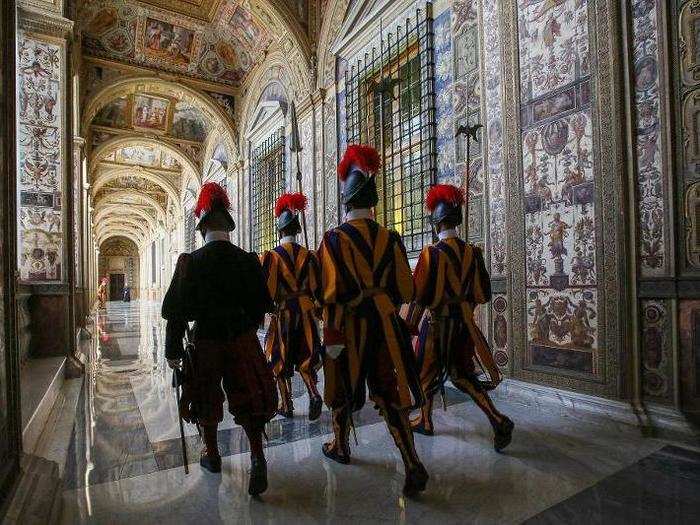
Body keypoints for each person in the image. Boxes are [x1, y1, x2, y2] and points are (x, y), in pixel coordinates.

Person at [316, 144, 428, 497]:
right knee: (389, 391)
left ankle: (340, 445)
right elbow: (406, 289)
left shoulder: (333, 239)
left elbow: (327, 293)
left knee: (342, 389)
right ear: (373, 201)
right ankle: (411, 461)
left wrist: (330, 329)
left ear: (346, 201)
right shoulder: (391, 237)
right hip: (385, 327)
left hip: (348, 327)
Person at [161, 182, 277, 495]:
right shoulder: (248, 260)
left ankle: (212, 455)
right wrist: (246, 331)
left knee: (204, 397)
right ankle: (257, 456)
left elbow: (176, 313)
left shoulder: (190, 262)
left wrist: (172, 351)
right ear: (228, 225)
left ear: (201, 229)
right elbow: (261, 307)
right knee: (251, 396)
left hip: (206, 341)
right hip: (242, 339)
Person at [406, 184, 514, 451]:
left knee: (427, 373)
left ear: (437, 222)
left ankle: (427, 421)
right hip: (464, 325)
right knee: (463, 375)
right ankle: (496, 418)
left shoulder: (430, 254)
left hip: (437, 325)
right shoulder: (473, 253)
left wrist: (409, 325)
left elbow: (419, 296)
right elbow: (483, 294)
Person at [261, 192, 323, 421]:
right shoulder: (310, 255)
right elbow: (318, 287)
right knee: (306, 355)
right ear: (297, 231)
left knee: (278, 356)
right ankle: (314, 393)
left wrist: (269, 308)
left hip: (285, 312)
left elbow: (267, 289)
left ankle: (286, 404)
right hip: (306, 312)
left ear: (279, 231)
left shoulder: (272, 256)